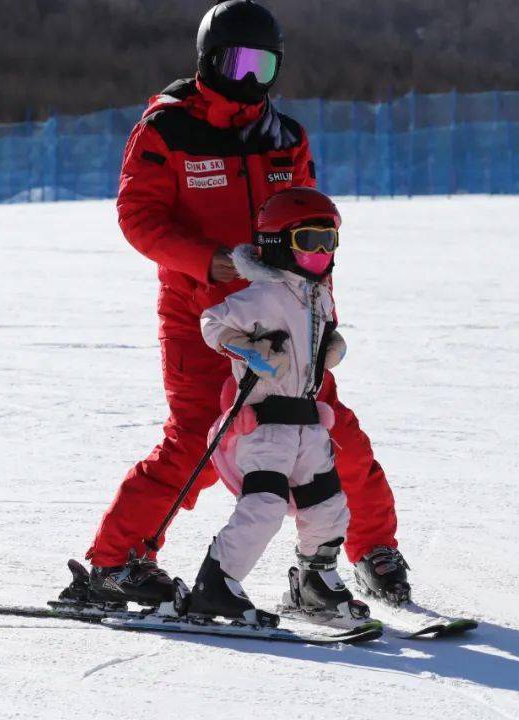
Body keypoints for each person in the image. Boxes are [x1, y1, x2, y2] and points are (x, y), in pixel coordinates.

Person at [70, 0, 409, 610]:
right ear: (208, 61)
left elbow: (310, 229)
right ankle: (115, 562)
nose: (250, 79)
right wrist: (208, 262)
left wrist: (321, 315)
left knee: (333, 433)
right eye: (236, 63)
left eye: (264, 65)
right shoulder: (167, 130)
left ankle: (370, 549)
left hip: (285, 315)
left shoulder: (285, 137)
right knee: (199, 437)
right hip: (203, 313)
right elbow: (138, 217)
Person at [188, 188, 368, 626]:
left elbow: (319, 337)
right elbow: (212, 321)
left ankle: (316, 580)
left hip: (307, 424)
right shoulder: (262, 295)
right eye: (309, 241)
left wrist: (330, 349)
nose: (321, 253)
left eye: (330, 241)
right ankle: (217, 584)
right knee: (264, 507)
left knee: (327, 505)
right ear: (278, 244)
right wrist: (245, 349)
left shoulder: (316, 295)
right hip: (265, 427)